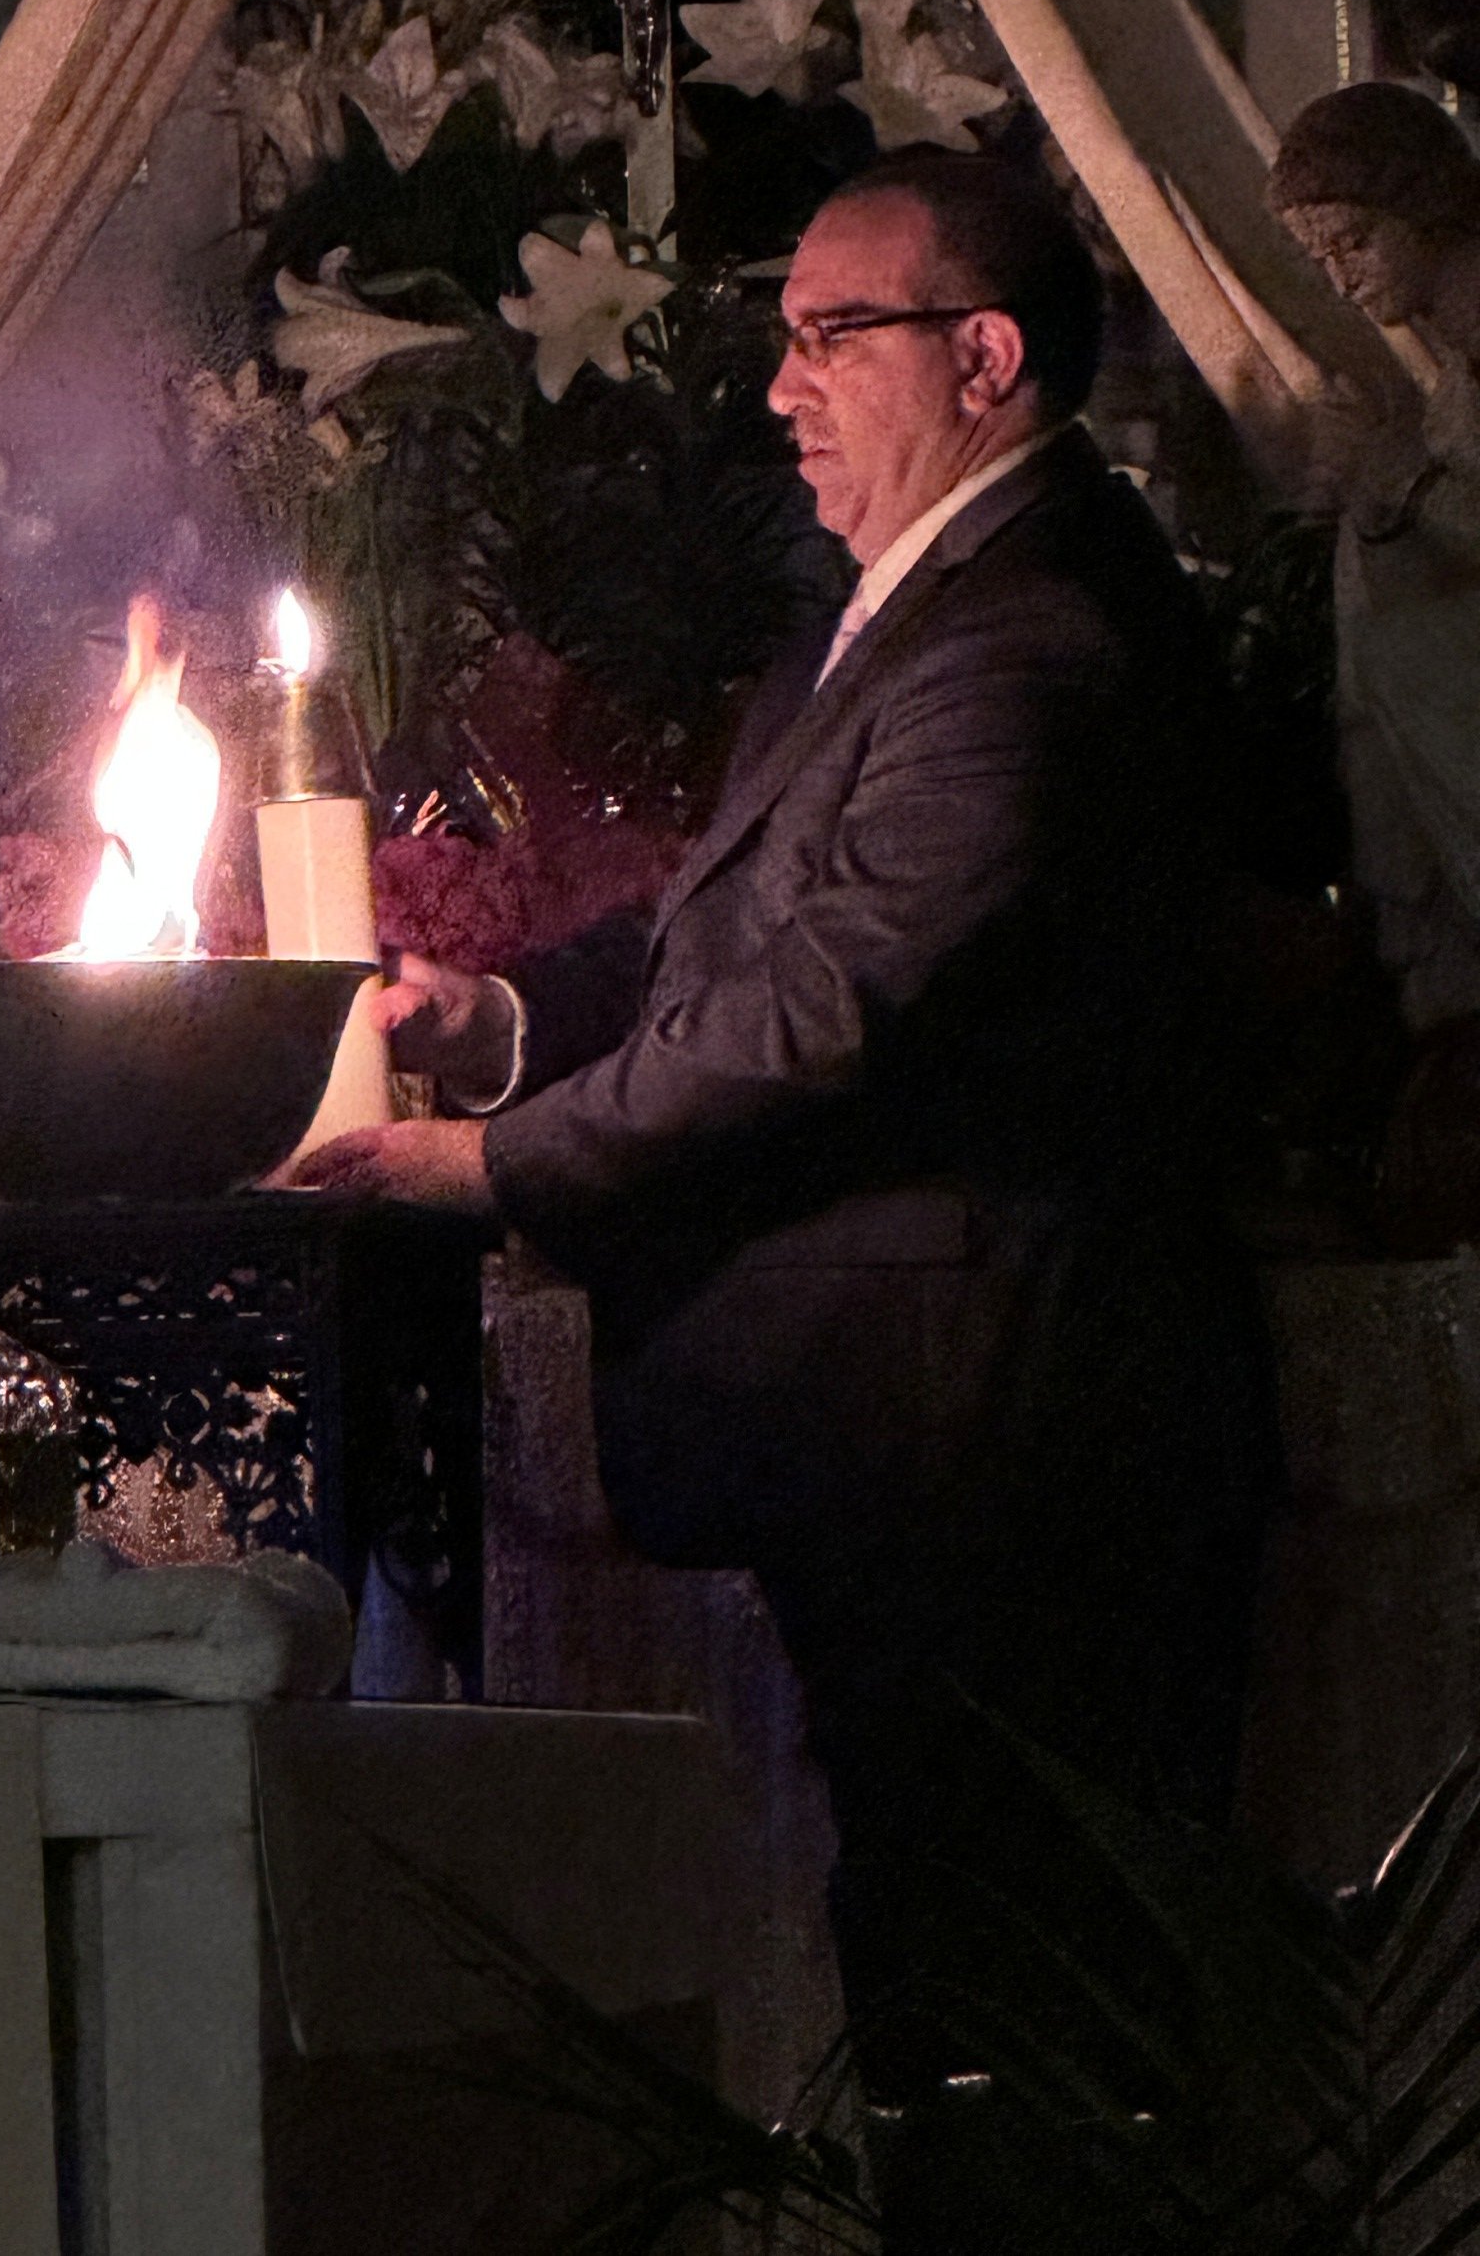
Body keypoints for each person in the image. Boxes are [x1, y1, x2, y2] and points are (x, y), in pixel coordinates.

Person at [283, 149, 1269, 2227]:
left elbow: (828, 1011)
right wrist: (491, 1018)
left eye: (832, 334)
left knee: (1024, 2010)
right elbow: (710, 941)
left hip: (997, 1441)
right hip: (922, 1443)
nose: (780, 386)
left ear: (982, 355)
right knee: (939, 1970)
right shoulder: (904, 608)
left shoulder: (1027, 633)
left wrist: (490, 1163)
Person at [1269, 79, 1480, 1227]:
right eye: (1319, 258)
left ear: (1423, 201)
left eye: (1352, 238)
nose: (1341, 277)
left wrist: (1382, 480)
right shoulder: (1450, 363)